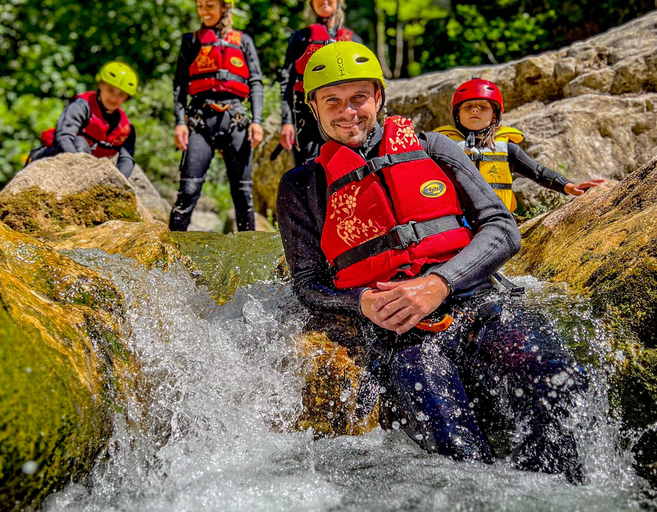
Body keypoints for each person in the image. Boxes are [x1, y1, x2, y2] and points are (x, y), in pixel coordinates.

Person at [277, 42, 588, 483]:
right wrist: (362, 301)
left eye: (359, 98)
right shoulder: (301, 185)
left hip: (476, 304)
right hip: (400, 337)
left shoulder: (435, 147)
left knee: (561, 385)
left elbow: (502, 228)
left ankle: (560, 495)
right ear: (313, 107)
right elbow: (308, 284)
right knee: (455, 452)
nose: (348, 112)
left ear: (379, 98)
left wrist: (439, 282)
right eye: (333, 101)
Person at [436, 79, 604, 212]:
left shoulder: (507, 148)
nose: (475, 110)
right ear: (457, 115)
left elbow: (537, 172)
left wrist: (569, 186)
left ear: (494, 116)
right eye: (468, 107)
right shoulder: (442, 146)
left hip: (497, 218)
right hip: (457, 219)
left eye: (483, 106)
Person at [170, 0, 264, 232]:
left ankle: (247, 255)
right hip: (200, 120)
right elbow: (180, 86)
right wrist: (180, 123)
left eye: (209, 6)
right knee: (188, 191)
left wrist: (258, 122)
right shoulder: (191, 41)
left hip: (236, 120)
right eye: (200, 6)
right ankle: (168, 255)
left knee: (243, 196)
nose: (204, 11)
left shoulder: (243, 41)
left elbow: (255, 83)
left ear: (224, 7)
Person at [278, 0, 361, 167]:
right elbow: (286, 82)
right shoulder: (300, 39)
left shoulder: (353, 40)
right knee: (309, 171)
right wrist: (287, 122)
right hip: (308, 118)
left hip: (347, 116)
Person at [27, 62, 139, 178]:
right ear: (100, 85)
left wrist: (116, 183)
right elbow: (64, 138)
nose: (114, 98)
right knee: (80, 143)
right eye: (110, 90)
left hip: (87, 170)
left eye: (121, 94)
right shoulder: (81, 107)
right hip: (52, 159)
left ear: (126, 98)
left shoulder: (126, 128)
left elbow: (127, 159)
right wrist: (82, 173)